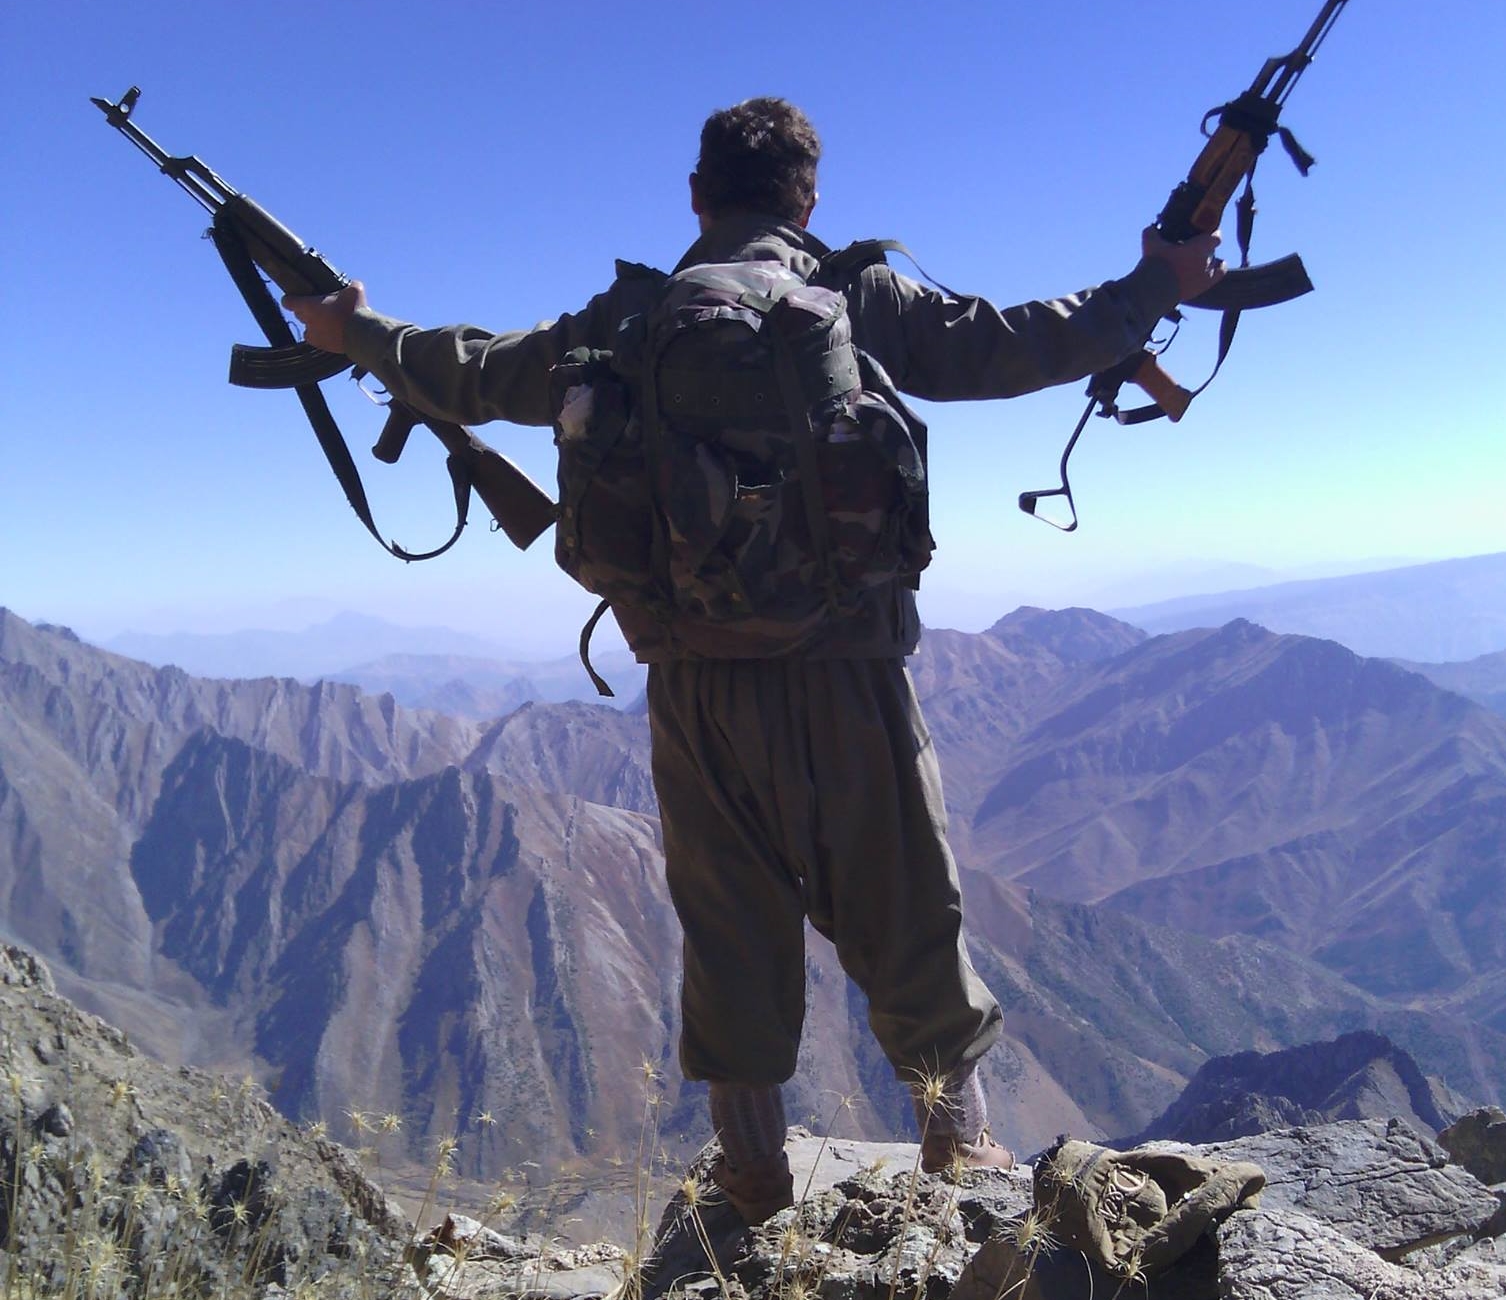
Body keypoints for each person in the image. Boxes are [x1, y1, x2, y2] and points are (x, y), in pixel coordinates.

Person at [285, 98, 1222, 1224]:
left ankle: (751, 1174)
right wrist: (1156, 283)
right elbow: (1017, 343)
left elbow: (474, 370)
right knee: (904, 897)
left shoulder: (625, 321)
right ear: (808, 199)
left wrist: (357, 331)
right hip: (849, 668)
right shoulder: (857, 297)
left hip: (693, 681)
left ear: (696, 197)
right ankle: (959, 1144)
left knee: (727, 918)